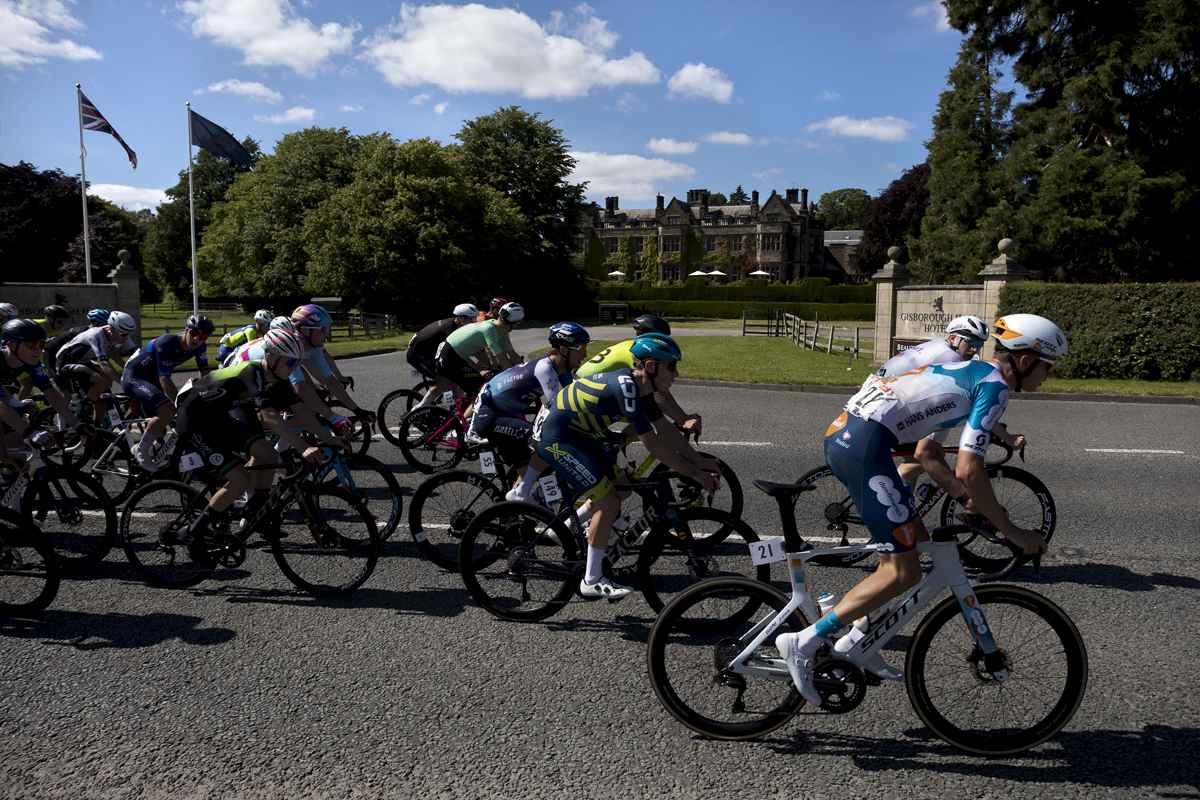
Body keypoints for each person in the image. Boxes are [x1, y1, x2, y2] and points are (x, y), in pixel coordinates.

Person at [775, 314, 1062, 705]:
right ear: (1026, 360)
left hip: (856, 437)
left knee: (920, 545)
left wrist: (968, 497)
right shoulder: (994, 386)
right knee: (904, 571)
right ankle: (804, 642)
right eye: (1048, 366)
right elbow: (970, 468)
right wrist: (1010, 529)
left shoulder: (969, 371)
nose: (1048, 376)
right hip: (863, 447)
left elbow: (931, 452)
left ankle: (859, 636)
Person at [535, 334, 720, 599]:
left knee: (622, 489)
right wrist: (694, 472)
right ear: (651, 366)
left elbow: (666, 429)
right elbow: (651, 443)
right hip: (558, 436)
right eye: (672, 366)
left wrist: (700, 461)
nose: (676, 374)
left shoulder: (642, 389)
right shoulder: (626, 386)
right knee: (609, 501)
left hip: (576, 433)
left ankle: (561, 529)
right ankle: (592, 580)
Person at [172, 329, 341, 562]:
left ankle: (256, 509)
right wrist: (303, 448)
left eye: (297, 362)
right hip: (192, 420)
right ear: (271, 357)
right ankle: (193, 532)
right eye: (290, 361)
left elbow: (300, 408)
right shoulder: (252, 371)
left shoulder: (277, 379)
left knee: (268, 453)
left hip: (216, 418)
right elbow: (270, 417)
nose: (294, 367)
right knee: (240, 479)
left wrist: (329, 436)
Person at [876, 316, 1025, 495]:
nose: (975, 348)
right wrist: (1006, 436)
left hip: (881, 400)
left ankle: (907, 513)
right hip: (885, 407)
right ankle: (884, 494)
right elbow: (976, 406)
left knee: (932, 454)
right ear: (953, 338)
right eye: (970, 341)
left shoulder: (938, 345)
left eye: (980, 344)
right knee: (925, 455)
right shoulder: (951, 358)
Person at [465, 322, 589, 486]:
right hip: (491, 417)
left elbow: (575, 399)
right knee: (544, 441)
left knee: (529, 474)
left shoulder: (562, 370)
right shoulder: (545, 368)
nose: (585, 355)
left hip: (504, 415)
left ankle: (516, 503)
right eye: (582, 349)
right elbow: (558, 409)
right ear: (564, 349)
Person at [228, 305, 374, 434]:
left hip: (267, 378)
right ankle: (280, 452)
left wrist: (357, 411)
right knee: (302, 408)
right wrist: (334, 418)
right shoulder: (290, 346)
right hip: (240, 378)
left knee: (308, 407)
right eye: (323, 329)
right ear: (305, 330)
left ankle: (283, 448)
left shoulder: (313, 347)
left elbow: (329, 380)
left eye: (327, 328)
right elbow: (301, 388)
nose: (327, 333)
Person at [576, 314, 703, 437]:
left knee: (647, 411)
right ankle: (617, 444)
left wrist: (683, 417)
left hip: (587, 386)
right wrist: (683, 419)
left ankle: (616, 443)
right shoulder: (636, 352)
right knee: (646, 414)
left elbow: (656, 390)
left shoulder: (632, 346)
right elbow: (657, 394)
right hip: (585, 393)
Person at [120, 314, 214, 469]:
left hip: (152, 379)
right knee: (168, 412)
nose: (197, 339)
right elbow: (165, 380)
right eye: (194, 333)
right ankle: (141, 450)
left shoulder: (200, 347)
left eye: (203, 336)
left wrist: (209, 395)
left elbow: (205, 374)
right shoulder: (167, 342)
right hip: (135, 377)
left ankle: (148, 446)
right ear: (186, 330)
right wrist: (181, 403)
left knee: (162, 429)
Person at [0, 319, 94, 460]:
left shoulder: (31, 361)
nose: (39, 350)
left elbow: (51, 393)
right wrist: (30, 432)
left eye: (42, 344)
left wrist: (76, 424)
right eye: (33, 345)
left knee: (17, 450)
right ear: (12, 345)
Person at [55, 311, 139, 423]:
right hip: (65, 362)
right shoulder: (96, 334)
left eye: (130, 334)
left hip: (83, 362)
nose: (126, 337)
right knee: (105, 380)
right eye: (124, 334)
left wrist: (130, 370)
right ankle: (85, 406)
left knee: (102, 404)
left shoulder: (120, 333)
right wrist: (125, 384)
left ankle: (97, 432)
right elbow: (104, 364)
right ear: (111, 329)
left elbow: (133, 355)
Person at [435, 302, 524, 400]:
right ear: (514, 323)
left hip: (456, 356)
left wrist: (525, 370)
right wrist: (517, 378)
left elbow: (512, 354)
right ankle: (461, 414)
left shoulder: (503, 332)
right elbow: (502, 359)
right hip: (449, 357)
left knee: (481, 388)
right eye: (518, 323)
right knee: (482, 392)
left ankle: (458, 411)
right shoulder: (490, 329)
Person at [408, 303, 478, 410]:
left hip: (430, 353)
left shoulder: (455, 324)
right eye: (472, 319)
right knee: (446, 378)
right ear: (462, 318)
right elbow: (459, 352)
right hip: (418, 355)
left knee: (454, 376)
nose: (474, 322)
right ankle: (419, 408)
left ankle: (451, 407)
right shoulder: (450, 327)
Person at [41, 308, 108, 385]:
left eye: (64, 322)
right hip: (48, 357)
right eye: (60, 322)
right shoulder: (36, 325)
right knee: (65, 390)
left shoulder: (60, 330)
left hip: (64, 358)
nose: (62, 325)